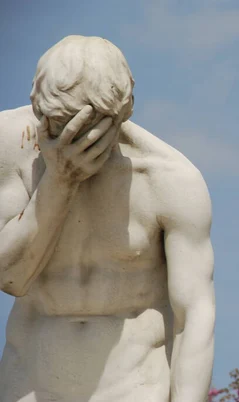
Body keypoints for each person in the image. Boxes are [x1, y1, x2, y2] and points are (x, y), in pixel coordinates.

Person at [0, 35, 215, 402]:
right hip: (29, 379)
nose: (69, 139)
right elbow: (11, 275)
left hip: (136, 385)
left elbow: (194, 317)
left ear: (119, 116)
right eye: (57, 125)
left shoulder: (170, 180)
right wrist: (59, 181)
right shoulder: (11, 145)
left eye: (86, 128)